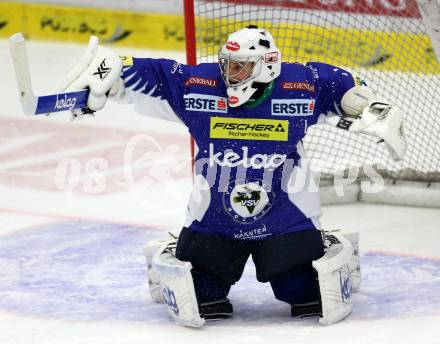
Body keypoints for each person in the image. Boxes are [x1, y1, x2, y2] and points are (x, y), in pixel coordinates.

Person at [63, 25, 406, 327]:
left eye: (240, 66)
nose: (230, 73)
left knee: (305, 294)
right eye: (227, 64)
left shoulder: (302, 84)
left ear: (267, 66)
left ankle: (328, 253)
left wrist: (371, 110)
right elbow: (150, 73)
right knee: (199, 297)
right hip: (214, 219)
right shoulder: (199, 84)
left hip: (286, 217)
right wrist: (111, 71)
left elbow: (344, 86)